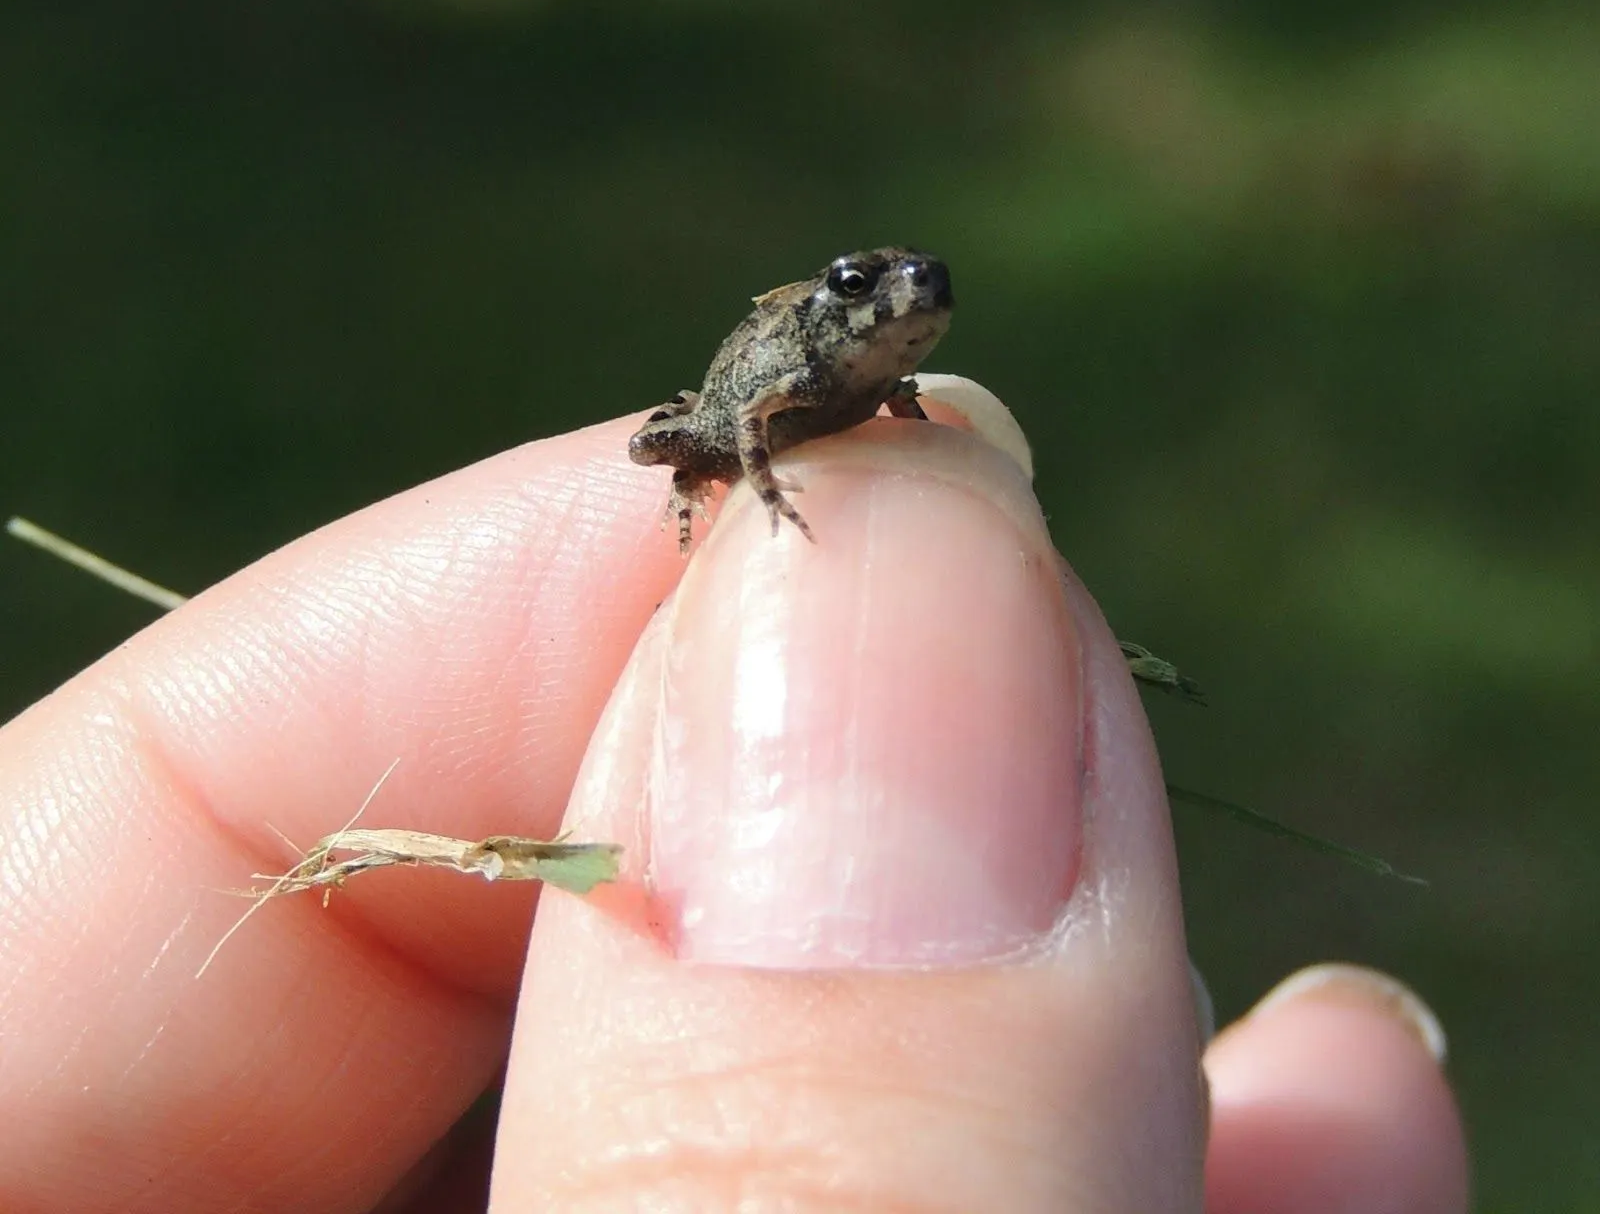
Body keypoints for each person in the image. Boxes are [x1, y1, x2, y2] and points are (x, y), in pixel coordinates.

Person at [0, 390, 1468, 1211]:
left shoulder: (888, 367)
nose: (898, 314)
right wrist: (748, 483)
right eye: (871, 294)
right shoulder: (790, 365)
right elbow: (736, 406)